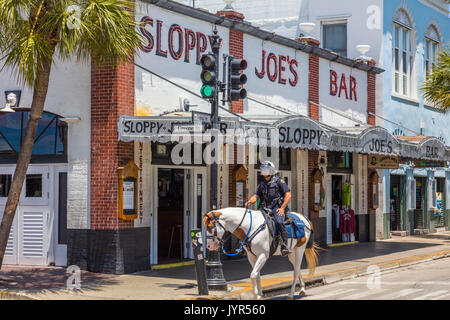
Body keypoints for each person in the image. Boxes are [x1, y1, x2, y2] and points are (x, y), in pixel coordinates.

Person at [245, 161, 292, 256]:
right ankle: (246, 245)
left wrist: (282, 208)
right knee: (252, 222)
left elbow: (288, 195)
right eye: (262, 169)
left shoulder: (279, 181)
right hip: (265, 208)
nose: (263, 171)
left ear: (271, 170)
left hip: (277, 208)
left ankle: (284, 245)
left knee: (279, 222)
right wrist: (250, 201)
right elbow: (256, 195)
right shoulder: (262, 183)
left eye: (266, 169)